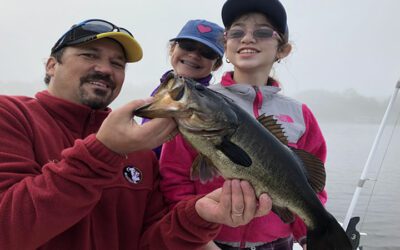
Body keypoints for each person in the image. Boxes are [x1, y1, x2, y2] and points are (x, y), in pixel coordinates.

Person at [0, 18, 273, 250]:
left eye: (117, 64)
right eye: (89, 55)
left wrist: (196, 217)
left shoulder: (138, 147)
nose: (106, 69)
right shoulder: (10, 115)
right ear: (51, 65)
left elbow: (150, 242)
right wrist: (104, 150)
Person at [159, 0, 328, 249]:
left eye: (262, 32)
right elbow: (174, 180)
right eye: (236, 32)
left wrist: (310, 237)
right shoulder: (200, 105)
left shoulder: (300, 114)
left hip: (277, 243)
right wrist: (199, 238)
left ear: (283, 50)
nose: (248, 38)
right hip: (208, 242)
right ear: (225, 48)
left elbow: (310, 190)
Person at [143, 19, 224, 159]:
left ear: (216, 65)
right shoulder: (167, 86)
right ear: (173, 48)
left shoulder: (211, 105)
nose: (194, 55)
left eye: (207, 52)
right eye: (187, 45)